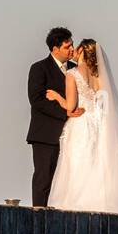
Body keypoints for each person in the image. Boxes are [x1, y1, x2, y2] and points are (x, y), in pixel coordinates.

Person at [44, 39, 118, 216]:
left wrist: (57, 97)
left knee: (78, 163)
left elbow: (71, 106)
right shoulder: (100, 76)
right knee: (97, 162)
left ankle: (78, 202)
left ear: (81, 51)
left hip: (81, 123)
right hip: (99, 124)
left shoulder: (72, 74)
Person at [26, 27, 84, 207]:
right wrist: (65, 112)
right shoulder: (39, 68)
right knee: (44, 177)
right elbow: (37, 100)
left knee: (70, 178)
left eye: (72, 45)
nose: (72, 49)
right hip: (46, 134)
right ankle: (39, 214)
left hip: (74, 133)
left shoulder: (77, 70)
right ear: (55, 49)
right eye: (67, 47)